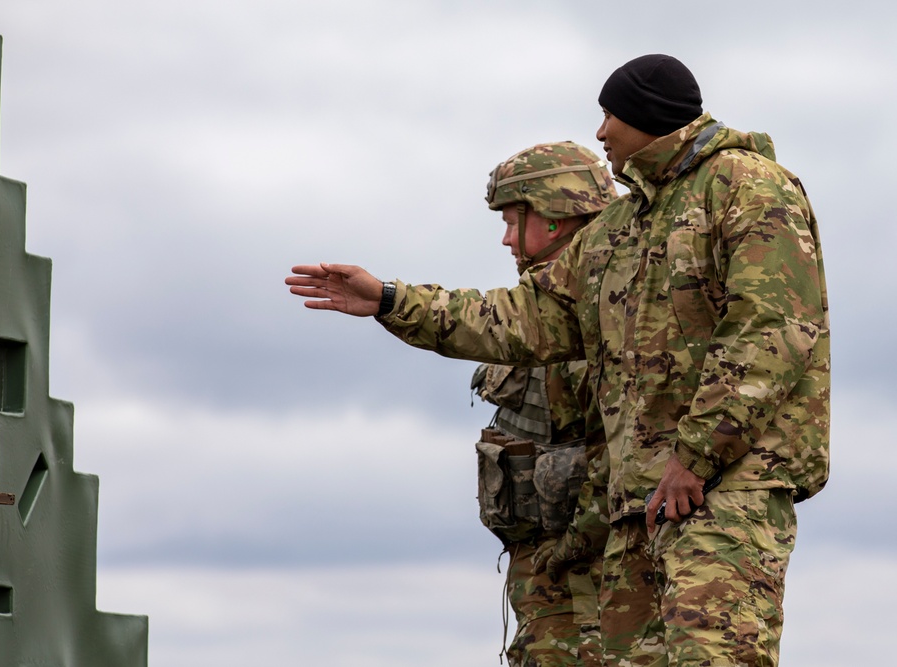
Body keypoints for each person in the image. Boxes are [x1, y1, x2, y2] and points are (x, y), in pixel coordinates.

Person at [286, 54, 829, 667]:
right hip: (641, 505)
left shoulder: (747, 185)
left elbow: (772, 331)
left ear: (647, 117)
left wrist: (696, 456)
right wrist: (389, 300)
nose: (600, 134)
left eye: (609, 115)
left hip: (723, 493)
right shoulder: (620, 228)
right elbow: (522, 318)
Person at [473, 141, 616, 666]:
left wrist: (575, 543)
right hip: (545, 577)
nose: (507, 238)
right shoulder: (535, 309)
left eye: (514, 220)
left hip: (591, 582)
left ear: (555, 220)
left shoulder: (607, 311)